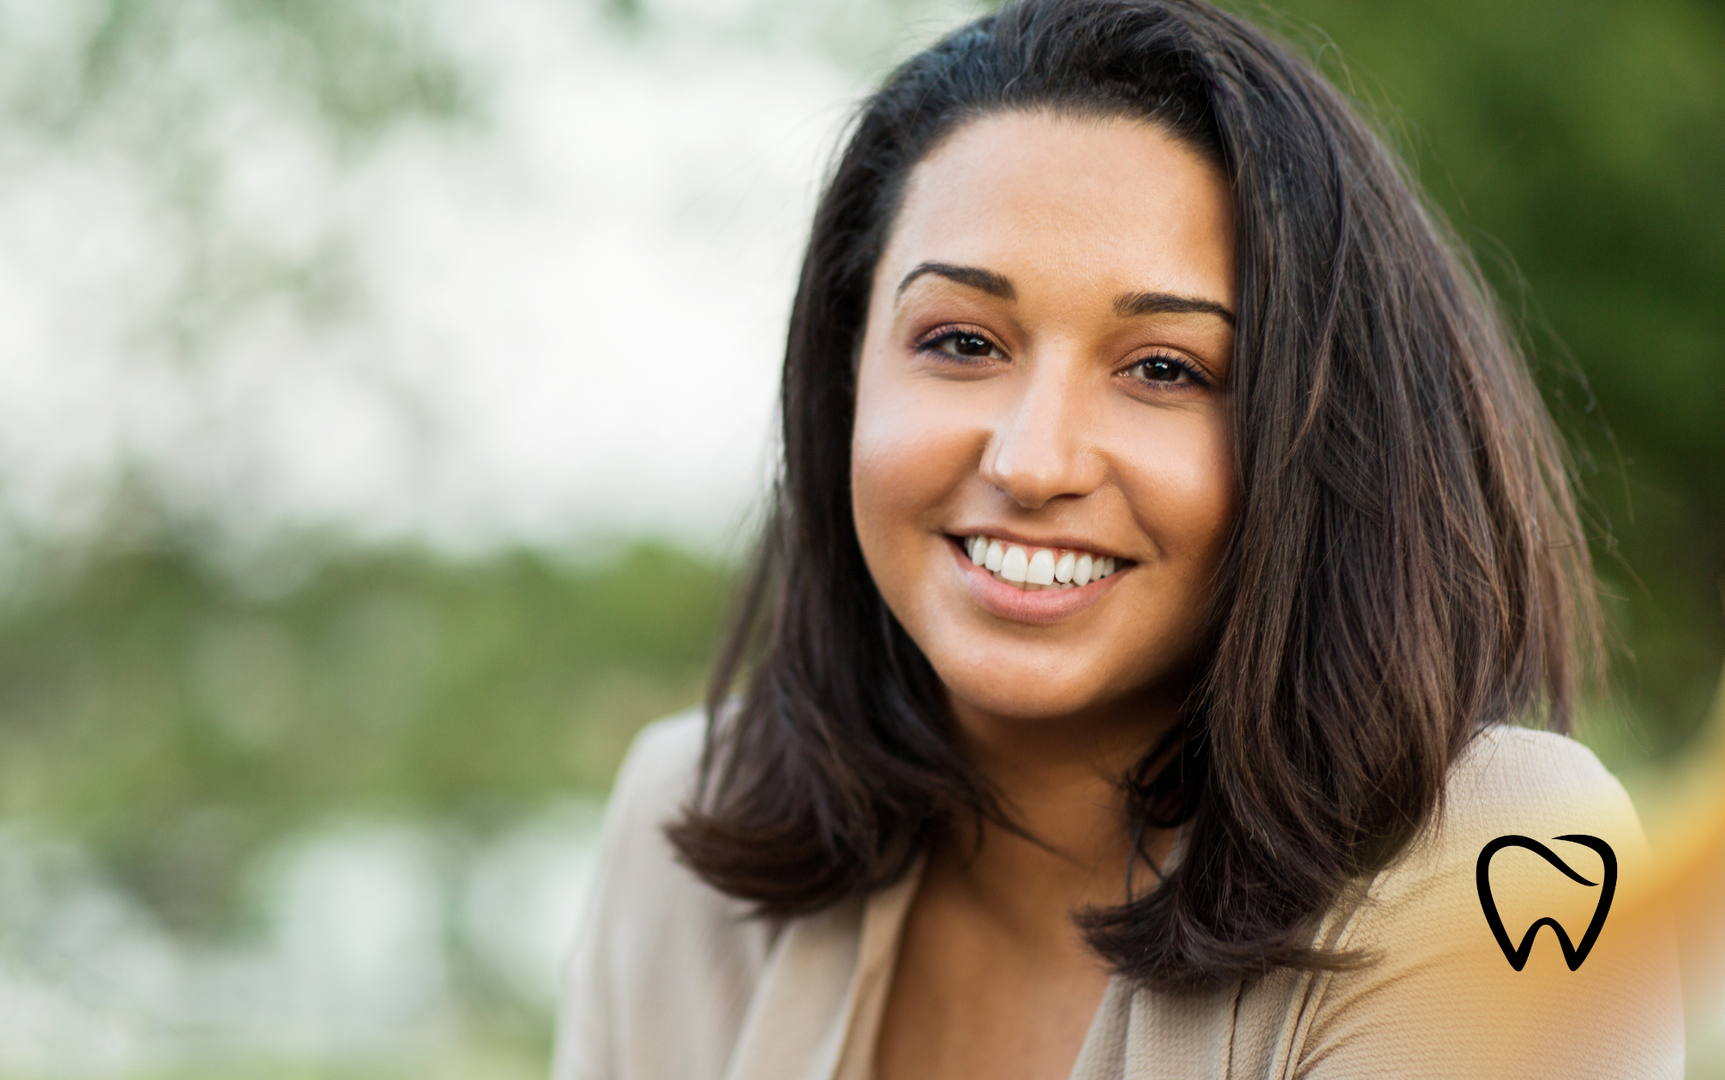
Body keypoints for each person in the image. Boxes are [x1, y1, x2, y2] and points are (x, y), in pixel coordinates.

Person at [551, 0, 1684, 1076]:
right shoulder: (685, 820)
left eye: (1164, 369)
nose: (1034, 462)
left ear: (1328, 438)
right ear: (845, 374)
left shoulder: (1498, 860)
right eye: (959, 342)